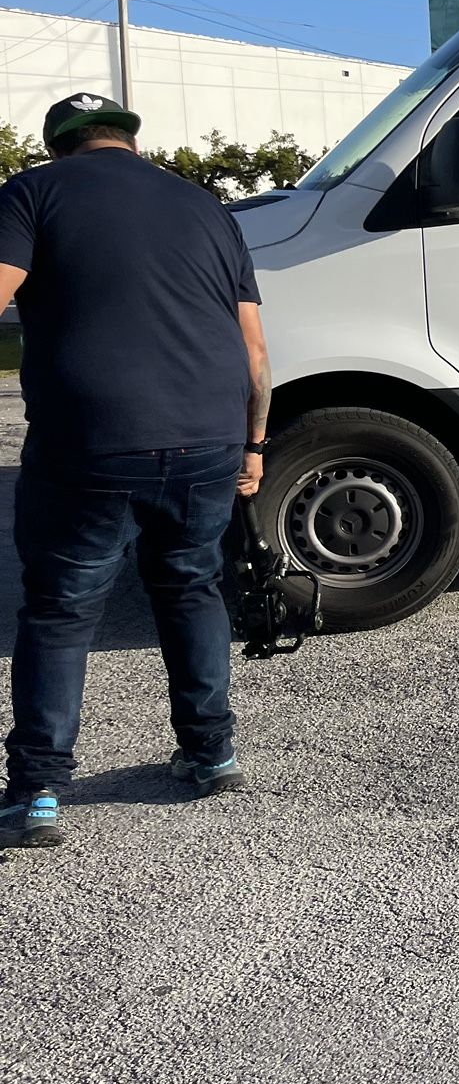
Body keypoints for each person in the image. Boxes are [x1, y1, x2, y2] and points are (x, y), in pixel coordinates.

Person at [0, 92, 270, 850]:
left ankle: (37, 794)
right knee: (190, 585)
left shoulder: (32, 192)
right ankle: (211, 751)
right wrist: (254, 446)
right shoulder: (207, 206)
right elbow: (252, 345)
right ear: (129, 140)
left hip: (92, 443)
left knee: (60, 609)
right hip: (211, 438)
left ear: (59, 146)